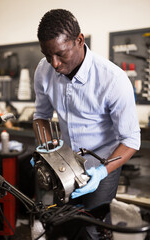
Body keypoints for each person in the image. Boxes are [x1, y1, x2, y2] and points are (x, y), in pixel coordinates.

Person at [33, 9, 140, 239]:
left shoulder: (113, 79)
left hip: (102, 165)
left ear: (79, 40)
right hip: (63, 164)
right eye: (47, 54)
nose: (54, 63)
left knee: (91, 231)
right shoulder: (43, 70)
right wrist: (45, 149)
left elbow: (131, 140)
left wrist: (102, 171)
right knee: (62, 223)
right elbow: (40, 116)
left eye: (60, 54)